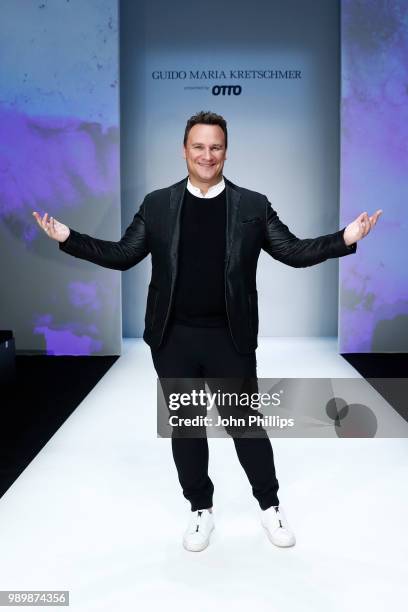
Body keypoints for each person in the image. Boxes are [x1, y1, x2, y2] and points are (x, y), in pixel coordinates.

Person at [33, 110, 382, 552]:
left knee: (245, 424)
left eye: (215, 146)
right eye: (198, 146)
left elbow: (292, 251)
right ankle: (200, 510)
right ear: (184, 150)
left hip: (228, 337)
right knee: (187, 426)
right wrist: (70, 237)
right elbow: (124, 254)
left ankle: (270, 507)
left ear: (225, 151)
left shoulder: (252, 206)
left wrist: (345, 238)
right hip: (173, 338)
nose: (206, 155)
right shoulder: (158, 205)